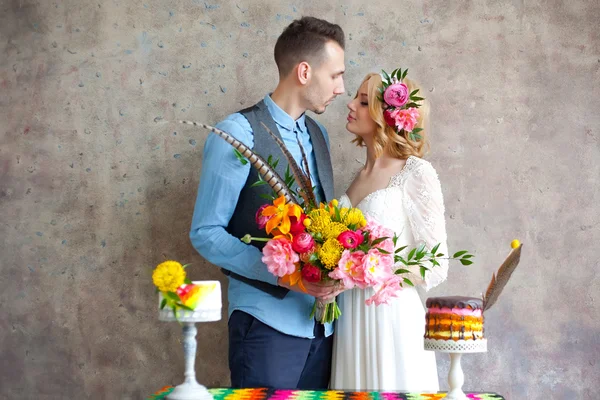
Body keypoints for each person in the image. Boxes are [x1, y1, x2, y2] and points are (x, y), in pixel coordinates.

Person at [189, 17, 346, 389]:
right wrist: (288, 276)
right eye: (336, 75)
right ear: (304, 72)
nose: (341, 88)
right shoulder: (236, 132)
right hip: (265, 328)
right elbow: (206, 233)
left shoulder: (318, 134)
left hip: (324, 331)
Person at [330, 71, 449, 391]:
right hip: (351, 318)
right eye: (355, 97)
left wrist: (371, 268)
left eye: (364, 101)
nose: (351, 104)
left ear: (388, 116)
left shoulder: (416, 173)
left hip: (392, 316)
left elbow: (436, 264)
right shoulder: (357, 177)